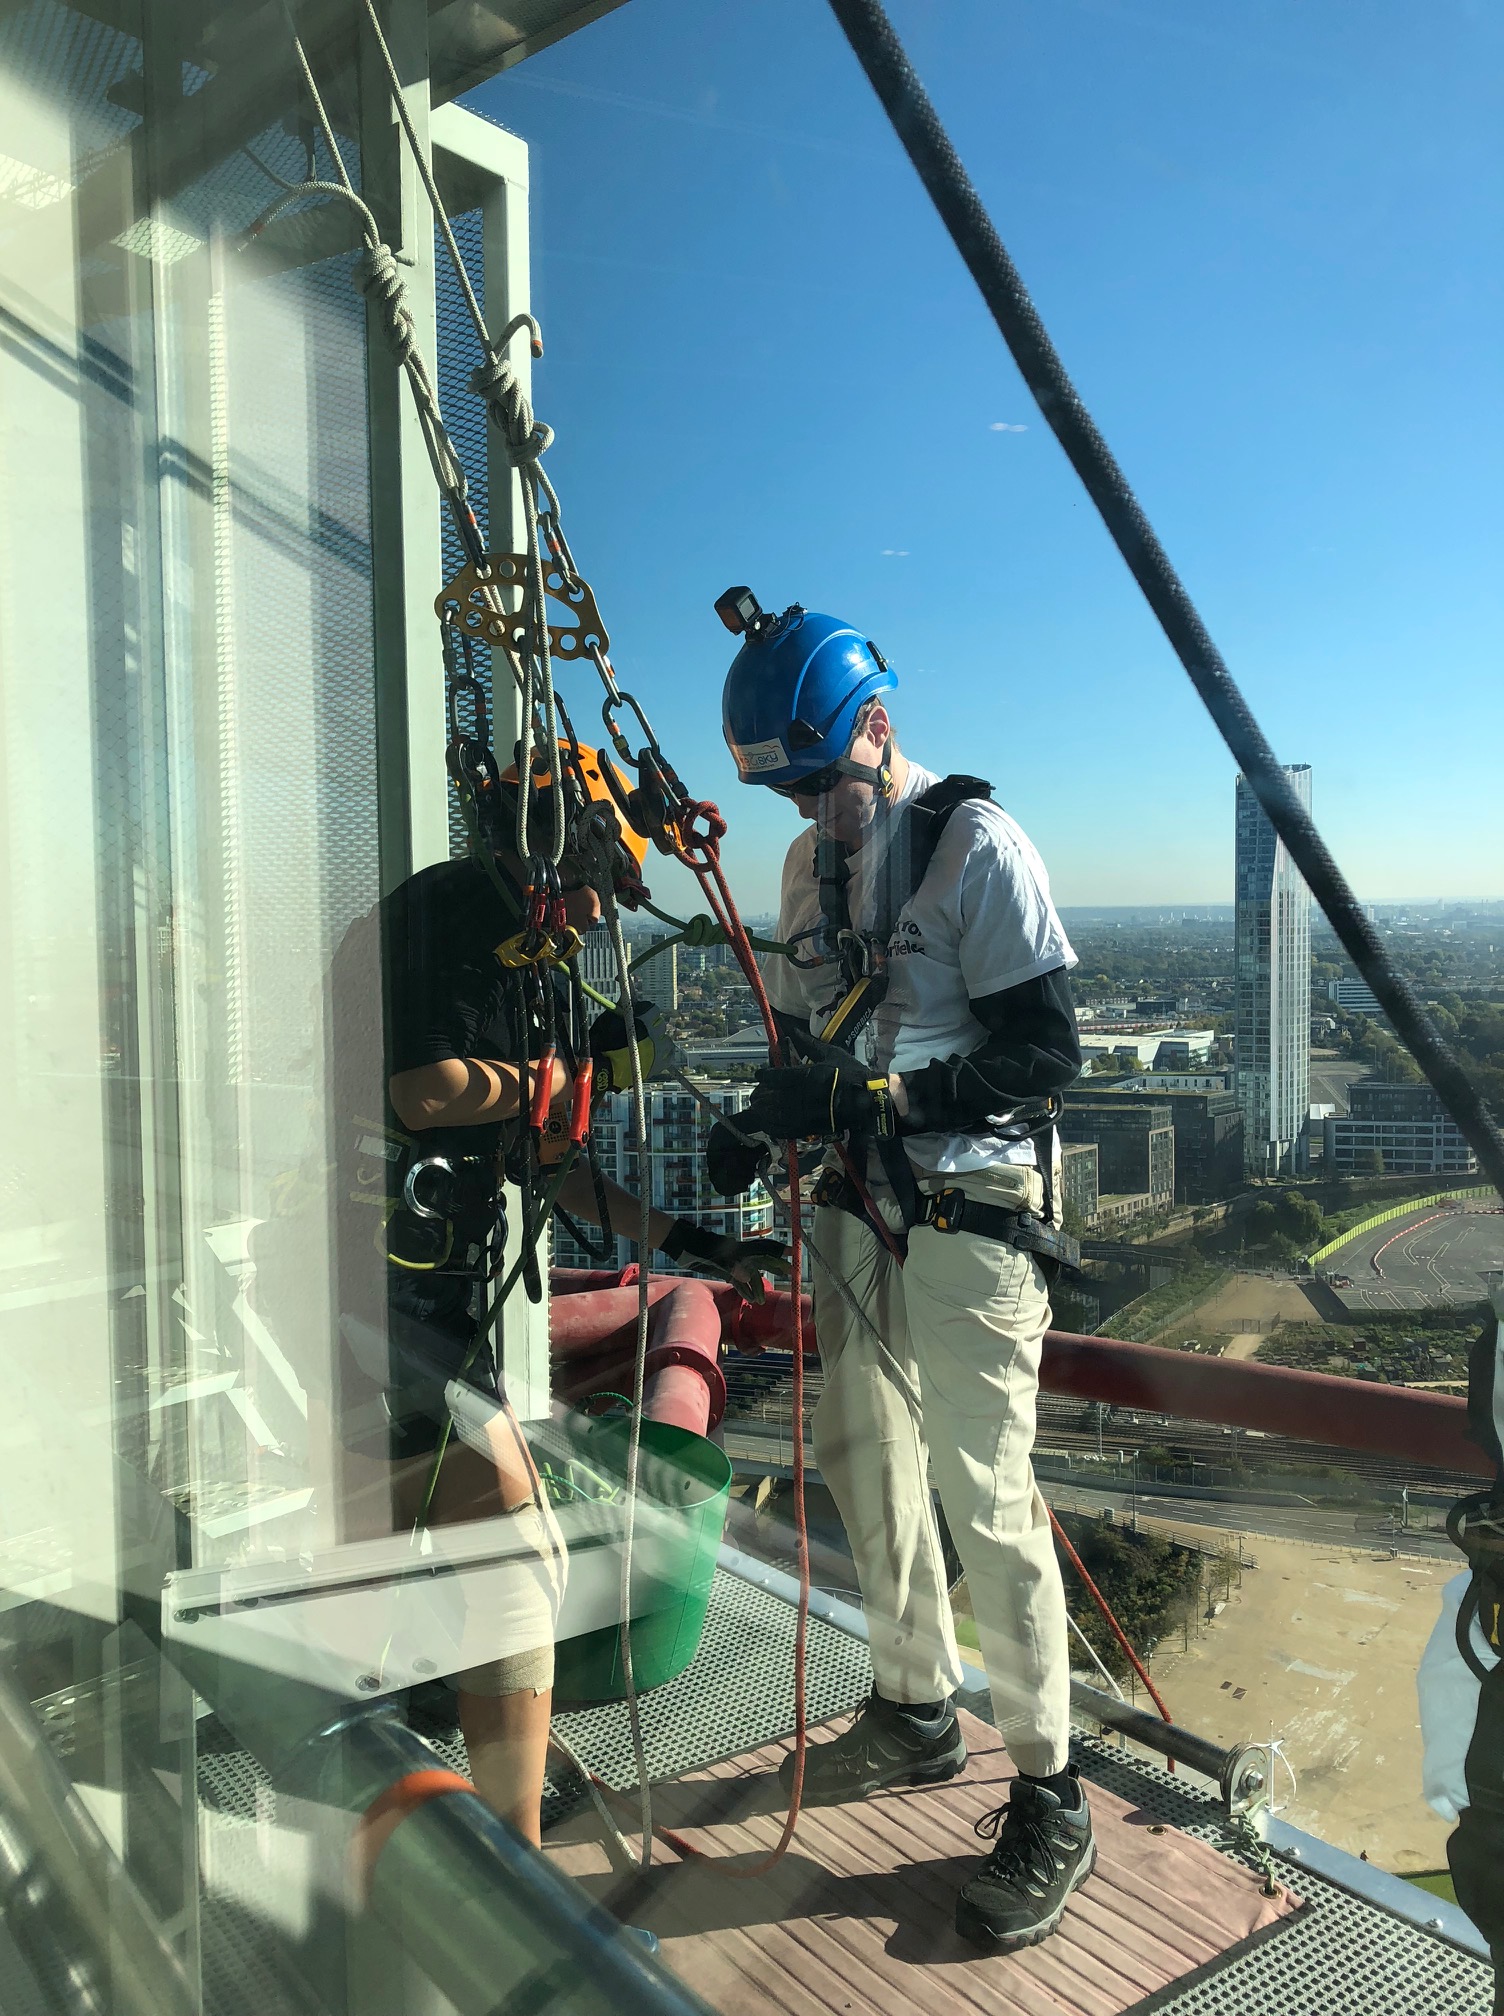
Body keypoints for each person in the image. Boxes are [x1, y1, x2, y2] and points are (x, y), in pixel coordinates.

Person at [707, 590, 1092, 1951]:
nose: (817, 810)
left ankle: (1051, 1787)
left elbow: (1048, 1053)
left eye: (828, 777)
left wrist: (890, 1107)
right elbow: (821, 1044)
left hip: (972, 1202)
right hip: (860, 1206)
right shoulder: (811, 872)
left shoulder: (973, 845)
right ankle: (916, 1705)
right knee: (866, 1454)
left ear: (877, 726)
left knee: (984, 1492)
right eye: (794, 791)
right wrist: (759, 1120)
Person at [321, 742, 782, 1846]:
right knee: (512, 1554)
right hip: (386, 1274)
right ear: (545, 848)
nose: (590, 918)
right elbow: (424, 1091)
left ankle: (441, 1770)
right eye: (589, 885)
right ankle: (510, 1858)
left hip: (429, 1281)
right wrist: (568, 1079)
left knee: (439, 1533)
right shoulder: (448, 920)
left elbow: (548, 1158)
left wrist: (694, 1246)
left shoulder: (517, 955)